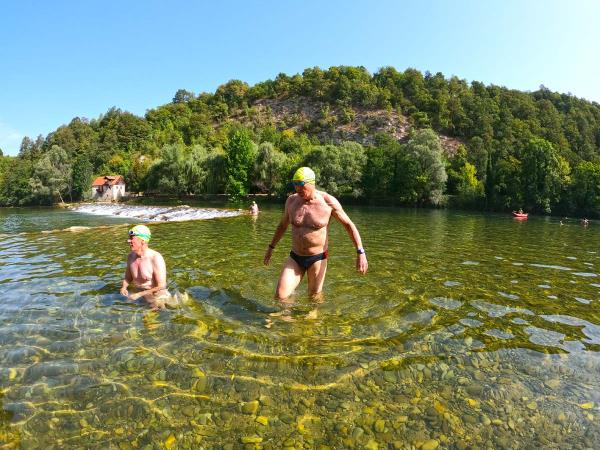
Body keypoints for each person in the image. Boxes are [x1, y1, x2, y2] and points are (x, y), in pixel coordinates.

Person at [263, 167, 368, 301]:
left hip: (317, 258)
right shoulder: (291, 201)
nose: (297, 189)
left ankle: (310, 321)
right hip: (295, 257)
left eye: (301, 185)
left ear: (312, 183)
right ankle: (286, 321)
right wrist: (271, 248)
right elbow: (282, 225)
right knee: (280, 296)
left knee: (313, 300)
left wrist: (360, 252)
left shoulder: (328, 202)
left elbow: (349, 225)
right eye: (295, 185)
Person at [120, 225, 169, 310]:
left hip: (155, 293)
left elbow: (161, 286)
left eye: (132, 238)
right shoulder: (130, 257)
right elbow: (128, 278)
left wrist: (140, 294)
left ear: (143, 241)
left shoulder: (155, 257)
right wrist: (124, 287)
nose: (128, 241)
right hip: (138, 292)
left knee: (149, 318)